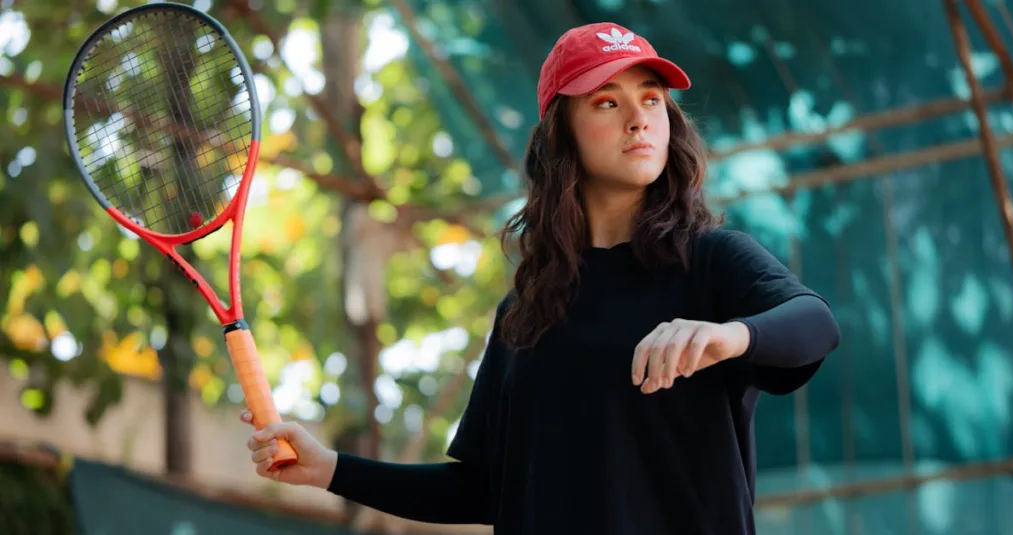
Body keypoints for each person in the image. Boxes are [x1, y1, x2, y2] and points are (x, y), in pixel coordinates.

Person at [241, 22, 840, 534]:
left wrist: (727, 336)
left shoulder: (712, 260)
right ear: (563, 134)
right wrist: (329, 470)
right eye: (607, 101)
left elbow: (814, 324)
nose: (639, 118)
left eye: (651, 98)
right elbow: (483, 487)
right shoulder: (527, 310)